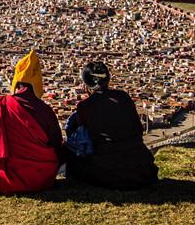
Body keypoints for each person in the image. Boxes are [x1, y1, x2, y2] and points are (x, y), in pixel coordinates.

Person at [0, 50, 63, 194]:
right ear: (38, 83)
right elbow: (56, 144)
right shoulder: (44, 110)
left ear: (16, 82)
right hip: (40, 178)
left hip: (5, 179)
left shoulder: (0, 105)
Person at [65, 61, 158, 190]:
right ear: (108, 80)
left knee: (68, 150)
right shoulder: (124, 97)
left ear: (86, 85)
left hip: (108, 173)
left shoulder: (85, 106)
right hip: (142, 169)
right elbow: (138, 129)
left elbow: (79, 138)